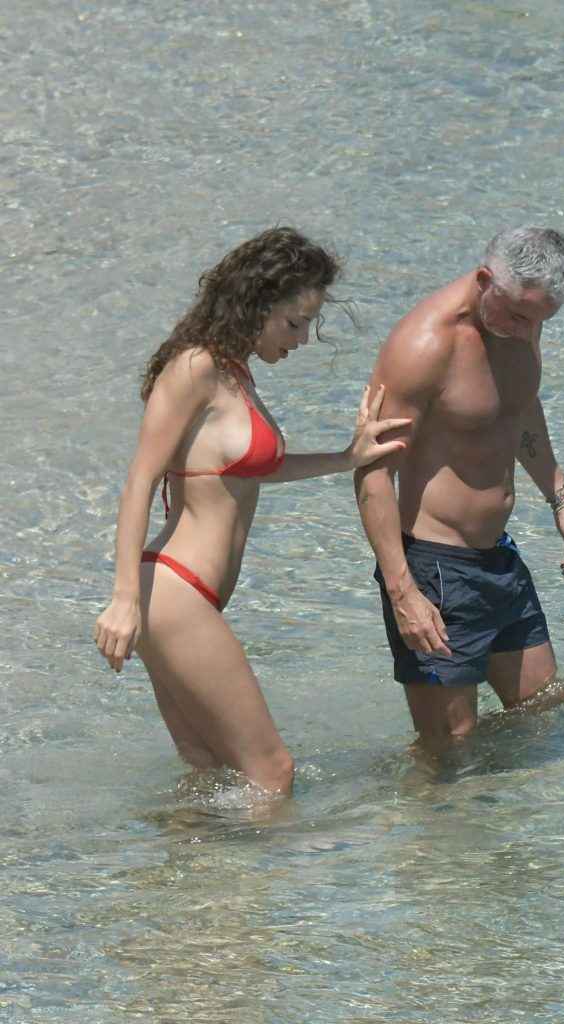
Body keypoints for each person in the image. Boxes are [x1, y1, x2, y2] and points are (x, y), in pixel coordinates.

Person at [94, 226, 409, 795]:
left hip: (182, 596)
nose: (303, 338)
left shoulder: (234, 372)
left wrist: (347, 457)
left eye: (309, 324)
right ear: (256, 305)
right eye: (295, 322)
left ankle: (178, 857)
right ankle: (275, 862)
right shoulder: (195, 367)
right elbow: (140, 479)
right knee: (272, 772)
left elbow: (253, 470)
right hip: (173, 593)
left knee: (210, 773)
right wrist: (123, 600)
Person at [354, 226, 564, 751]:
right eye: (519, 315)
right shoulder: (424, 345)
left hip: (498, 558)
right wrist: (403, 593)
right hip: (436, 569)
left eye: (539, 320)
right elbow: (373, 473)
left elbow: (518, 406)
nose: (526, 331)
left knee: (543, 713)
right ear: (485, 280)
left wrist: (562, 501)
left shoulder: (520, 320)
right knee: (449, 748)